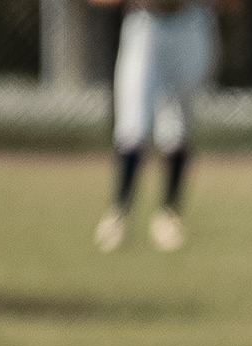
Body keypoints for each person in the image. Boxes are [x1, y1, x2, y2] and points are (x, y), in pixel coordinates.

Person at [89, 0, 237, 253]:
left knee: (177, 127)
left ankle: (169, 214)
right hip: (146, 24)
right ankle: (119, 213)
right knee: (133, 125)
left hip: (191, 22)